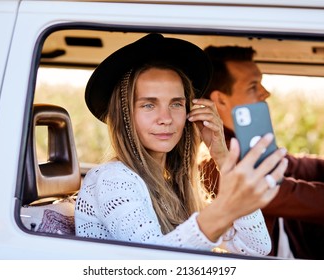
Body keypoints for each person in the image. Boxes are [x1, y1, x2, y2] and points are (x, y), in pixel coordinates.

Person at [74, 33, 288, 256]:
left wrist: (222, 158)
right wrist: (222, 211)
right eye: (149, 105)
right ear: (125, 115)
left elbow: (256, 248)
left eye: (176, 104)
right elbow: (154, 262)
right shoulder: (112, 178)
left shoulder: (174, 186)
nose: (166, 118)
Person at [200, 45, 324, 259]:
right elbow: (291, 195)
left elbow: (304, 166)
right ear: (220, 99)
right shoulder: (216, 161)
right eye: (253, 86)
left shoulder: (249, 141)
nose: (266, 92)